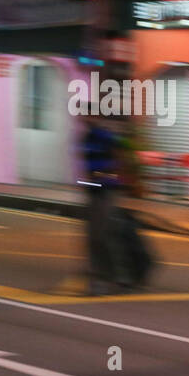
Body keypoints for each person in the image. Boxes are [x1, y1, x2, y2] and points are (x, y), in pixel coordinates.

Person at [79, 112, 122, 294]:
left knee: (101, 237)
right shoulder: (86, 137)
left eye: (89, 115)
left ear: (96, 116)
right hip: (93, 192)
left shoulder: (105, 136)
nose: (85, 119)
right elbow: (87, 166)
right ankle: (99, 279)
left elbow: (117, 159)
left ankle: (109, 279)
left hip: (105, 192)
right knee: (92, 238)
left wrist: (108, 178)